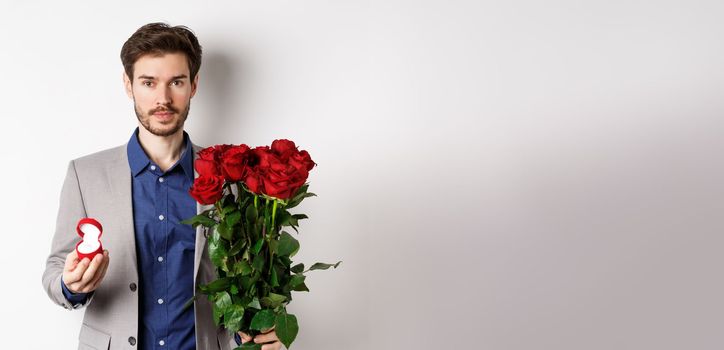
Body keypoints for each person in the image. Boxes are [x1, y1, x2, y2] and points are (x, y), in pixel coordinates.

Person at [41, 22, 282, 350]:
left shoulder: (231, 178)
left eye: (176, 82)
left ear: (194, 85)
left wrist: (260, 330)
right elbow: (56, 270)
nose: (163, 98)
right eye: (148, 82)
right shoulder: (85, 174)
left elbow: (247, 278)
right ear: (129, 85)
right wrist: (71, 284)